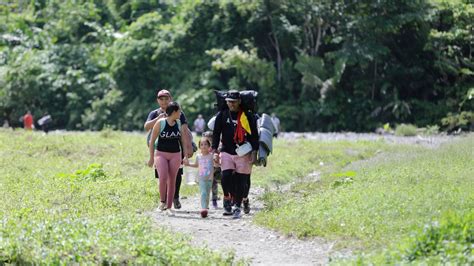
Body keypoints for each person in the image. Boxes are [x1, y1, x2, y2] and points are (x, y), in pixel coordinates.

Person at [212, 90, 259, 219]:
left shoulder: (247, 116)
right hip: (226, 150)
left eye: (233, 102)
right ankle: (227, 198)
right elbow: (216, 133)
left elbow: (254, 135)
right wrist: (214, 151)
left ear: (239, 102)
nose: (231, 104)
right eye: (229, 102)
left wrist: (255, 152)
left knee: (241, 181)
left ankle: (237, 206)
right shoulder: (222, 115)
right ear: (226, 102)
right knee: (225, 176)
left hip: (244, 152)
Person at [144, 89, 192, 209]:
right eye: (161, 99)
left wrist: (189, 147)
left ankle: (175, 197)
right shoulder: (154, 113)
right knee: (162, 175)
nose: (164, 101)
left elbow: (184, 130)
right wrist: (159, 118)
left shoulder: (177, 112)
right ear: (158, 100)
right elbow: (146, 127)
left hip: (176, 148)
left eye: (166, 98)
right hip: (159, 148)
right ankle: (163, 200)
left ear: (170, 99)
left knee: (176, 175)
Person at [147, 102, 185, 216]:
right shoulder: (160, 123)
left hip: (175, 154)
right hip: (161, 154)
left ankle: (169, 206)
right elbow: (152, 140)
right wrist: (151, 158)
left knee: (172, 180)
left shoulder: (178, 123)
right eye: (179, 111)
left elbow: (182, 140)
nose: (180, 113)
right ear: (173, 112)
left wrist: (184, 156)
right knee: (163, 177)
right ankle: (162, 202)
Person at [184, 138, 214, 218]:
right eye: (201, 145)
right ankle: (203, 208)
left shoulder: (211, 156)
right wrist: (188, 164)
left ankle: (206, 206)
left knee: (207, 193)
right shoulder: (198, 156)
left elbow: (214, 166)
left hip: (209, 178)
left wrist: (212, 175)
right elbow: (196, 165)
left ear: (209, 146)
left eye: (205, 144)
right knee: (203, 193)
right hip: (201, 178)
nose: (203, 146)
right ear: (199, 147)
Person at [202, 130, 221, 209]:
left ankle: (229, 198)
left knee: (220, 184)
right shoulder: (203, 149)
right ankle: (211, 201)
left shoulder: (216, 148)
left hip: (217, 170)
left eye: (209, 140)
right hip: (208, 171)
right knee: (209, 186)